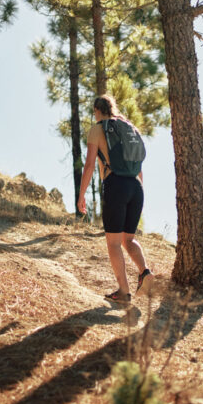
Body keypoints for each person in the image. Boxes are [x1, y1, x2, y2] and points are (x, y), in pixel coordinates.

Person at [77, 94, 153, 304]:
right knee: (128, 239)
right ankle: (145, 272)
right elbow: (138, 167)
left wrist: (82, 194)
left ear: (97, 110)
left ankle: (123, 291)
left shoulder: (98, 129)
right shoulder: (128, 128)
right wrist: (138, 192)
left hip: (116, 185)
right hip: (136, 187)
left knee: (113, 243)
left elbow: (90, 165)